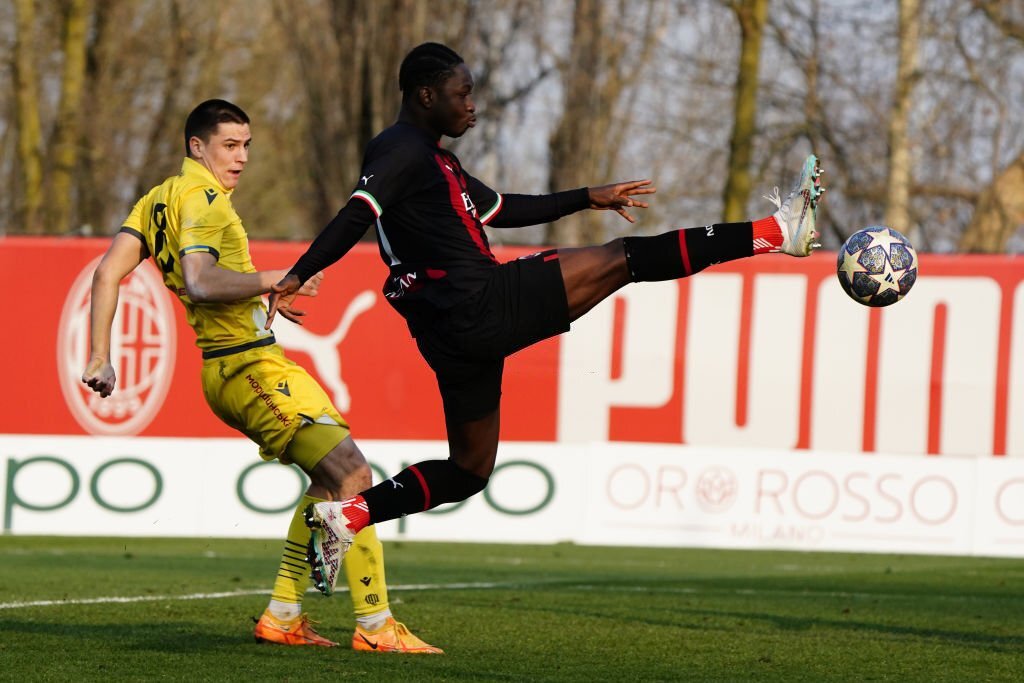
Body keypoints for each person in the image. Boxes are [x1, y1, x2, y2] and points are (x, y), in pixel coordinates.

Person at [266, 43, 825, 597]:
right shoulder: (400, 150)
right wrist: (297, 274)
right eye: (462, 94)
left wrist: (588, 197)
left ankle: (352, 515)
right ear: (425, 94)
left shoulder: (436, 160)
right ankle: (776, 232)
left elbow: (502, 210)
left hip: (449, 333)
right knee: (624, 258)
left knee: (469, 470)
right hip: (477, 301)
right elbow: (357, 214)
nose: (471, 106)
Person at [81, 99, 442, 653]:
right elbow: (200, 282)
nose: (242, 157)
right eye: (229, 145)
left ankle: (282, 614)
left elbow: (108, 272)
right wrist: (282, 277)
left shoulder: (159, 200)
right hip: (244, 366)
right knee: (355, 477)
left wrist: (100, 354)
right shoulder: (201, 198)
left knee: (329, 481)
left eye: (247, 144)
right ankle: (375, 627)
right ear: (196, 147)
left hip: (244, 361)